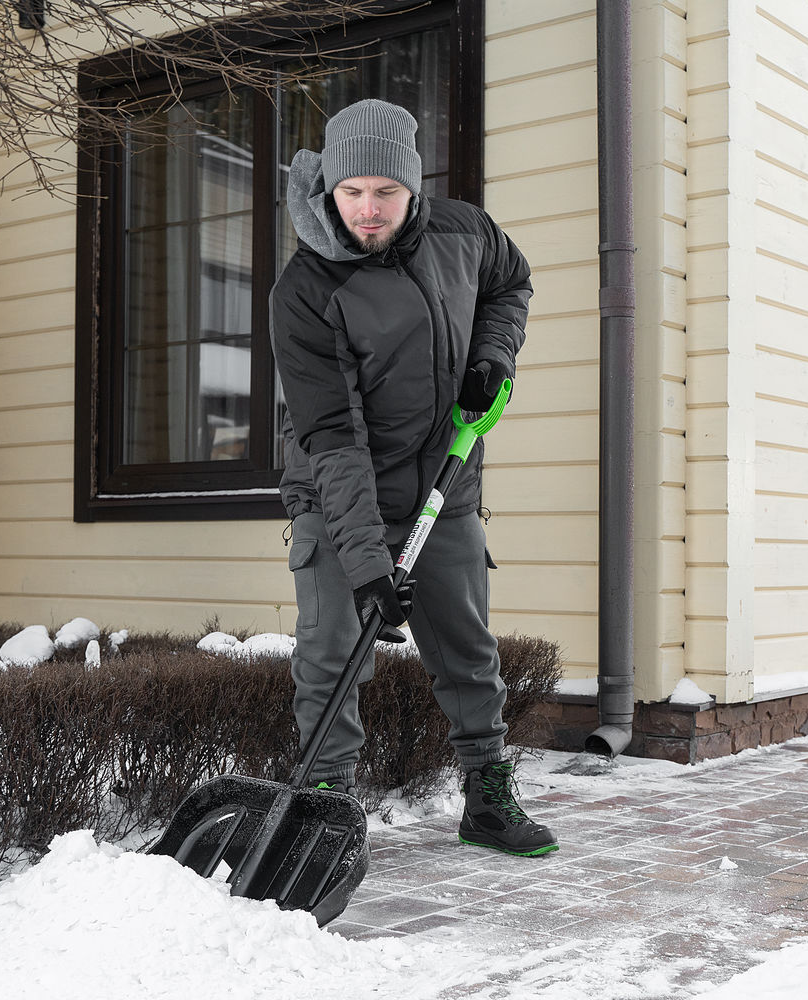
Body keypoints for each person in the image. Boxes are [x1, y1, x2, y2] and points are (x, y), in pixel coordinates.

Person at [269, 98, 558, 857]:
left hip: (447, 482)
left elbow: (510, 286)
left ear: (414, 186)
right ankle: (321, 811)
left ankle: (487, 797)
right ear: (329, 185)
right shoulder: (305, 291)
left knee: (467, 651)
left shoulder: (466, 233)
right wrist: (369, 563)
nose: (368, 211)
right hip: (338, 499)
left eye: (386, 193)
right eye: (352, 192)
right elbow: (333, 436)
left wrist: (491, 359)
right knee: (333, 652)